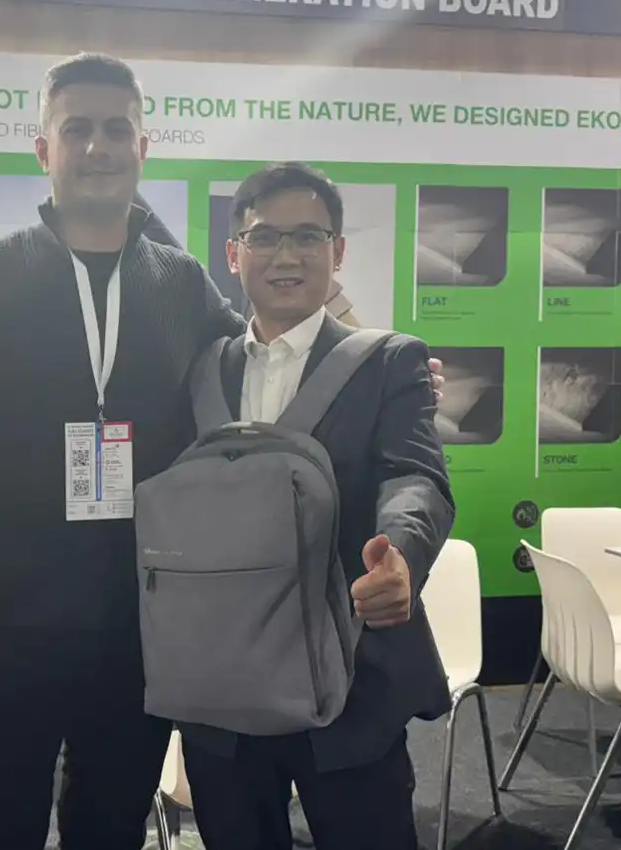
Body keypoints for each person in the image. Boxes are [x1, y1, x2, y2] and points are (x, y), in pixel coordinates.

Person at [0, 52, 444, 849]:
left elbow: (272, 348)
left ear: (143, 148)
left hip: (135, 627)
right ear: (43, 148)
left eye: (117, 130)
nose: (98, 147)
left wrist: (381, 366)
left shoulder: (178, 282)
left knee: (109, 831)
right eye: (77, 129)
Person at [178, 162, 454, 850]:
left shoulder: (389, 362)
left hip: (348, 678)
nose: (287, 255)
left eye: (308, 236)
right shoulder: (200, 370)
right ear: (234, 254)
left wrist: (401, 555)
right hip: (223, 684)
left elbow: (415, 476)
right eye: (265, 237)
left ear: (338, 252)